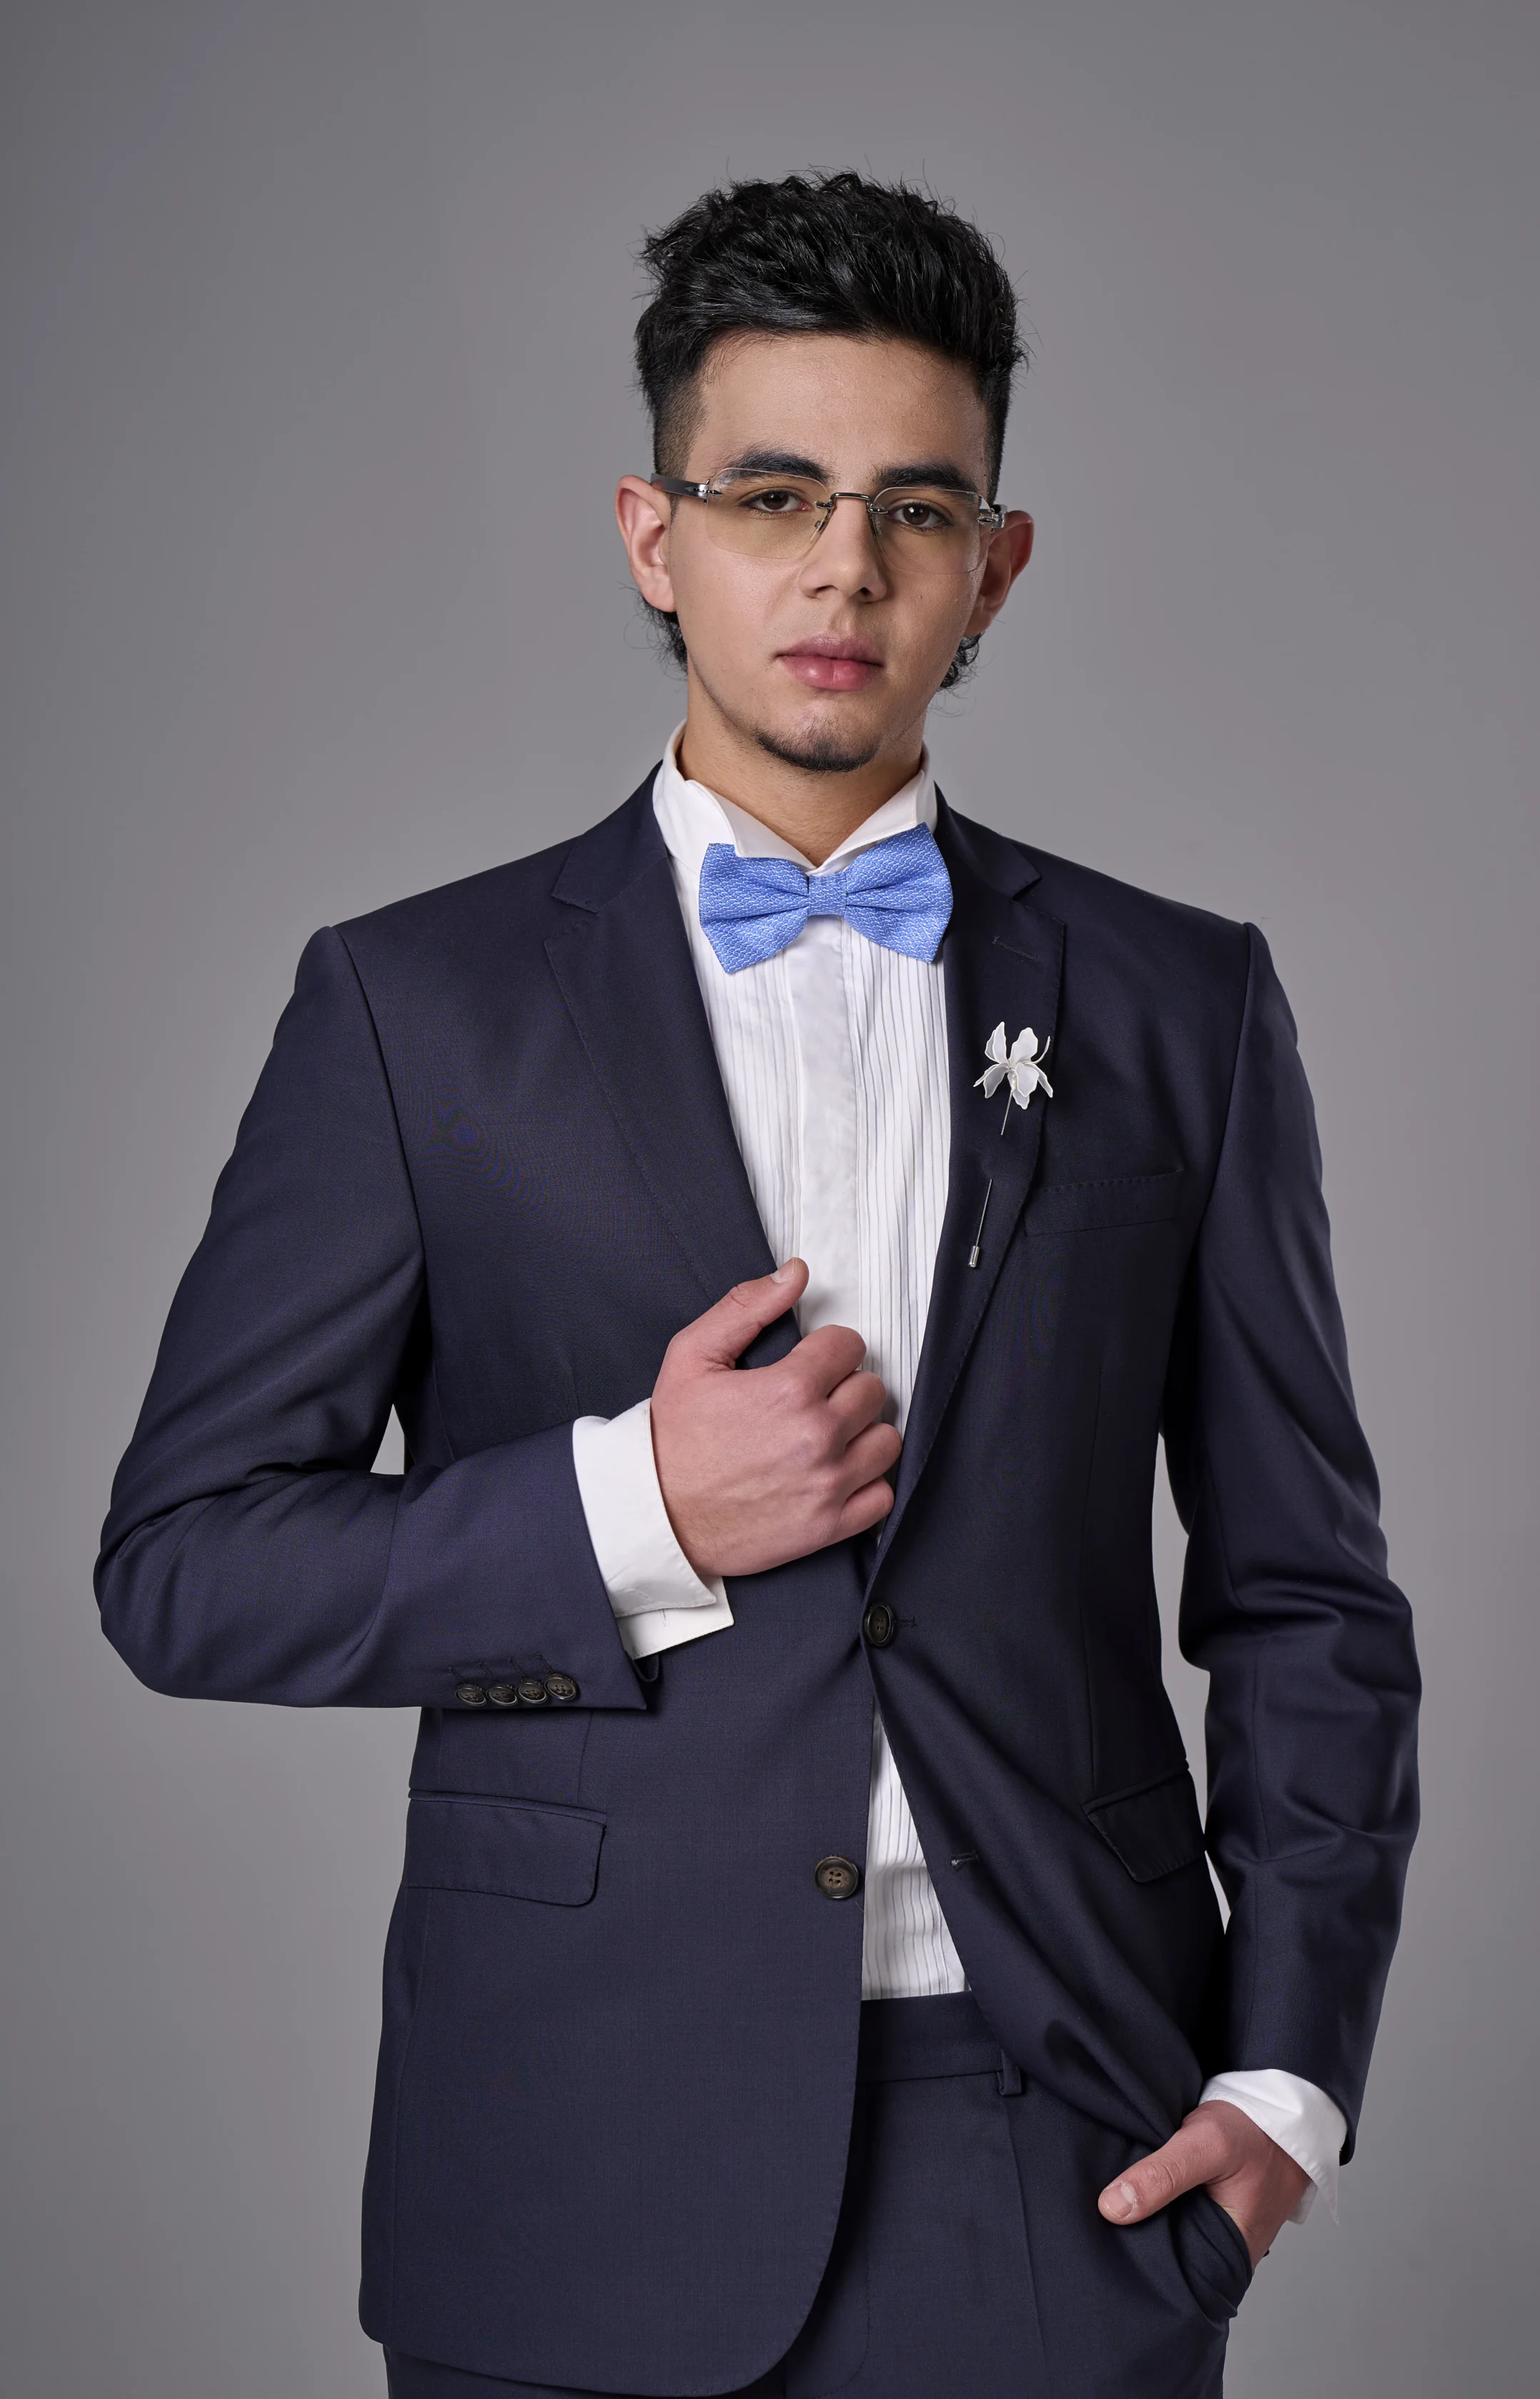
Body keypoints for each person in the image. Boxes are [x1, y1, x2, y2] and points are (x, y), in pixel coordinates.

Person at [96, 171, 1420, 2398]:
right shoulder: (413, 1009)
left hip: (1064, 2145)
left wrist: (1290, 2077)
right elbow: (184, 1569)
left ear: (996, 564)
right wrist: (633, 1508)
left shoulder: (1181, 1005)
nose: (844, 568)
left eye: (918, 509)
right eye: (775, 495)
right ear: (655, 536)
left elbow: (1309, 1596)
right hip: (572, 2149)